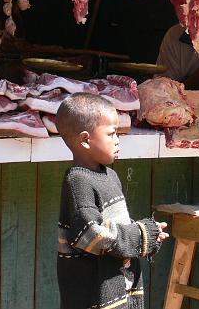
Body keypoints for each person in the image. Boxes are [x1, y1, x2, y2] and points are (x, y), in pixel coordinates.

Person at [56, 93, 168, 309]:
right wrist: (141, 235)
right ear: (85, 140)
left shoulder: (110, 176)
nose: (118, 140)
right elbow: (90, 234)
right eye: (112, 133)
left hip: (119, 287)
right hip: (92, 296)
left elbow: (116, 228)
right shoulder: (77, 181)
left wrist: (148, 236)